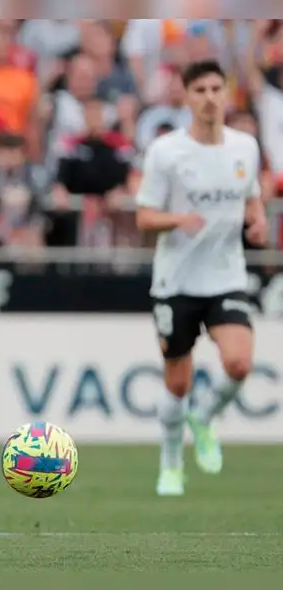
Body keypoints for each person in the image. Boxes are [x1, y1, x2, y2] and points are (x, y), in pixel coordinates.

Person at [135, 60, 268, 498]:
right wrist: (177, 218)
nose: (210, 97)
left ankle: (206, 417)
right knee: (177, 382)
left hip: (226, 276)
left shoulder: (245, 147)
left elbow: (251, 195)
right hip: (176, 281)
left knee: (240, 363)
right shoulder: (167, 152)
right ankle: (170, 463)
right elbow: (143, 217)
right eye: (200, 90)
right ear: (187, 96)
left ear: (226, 93)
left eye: (216, 88)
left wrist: (257, 219)